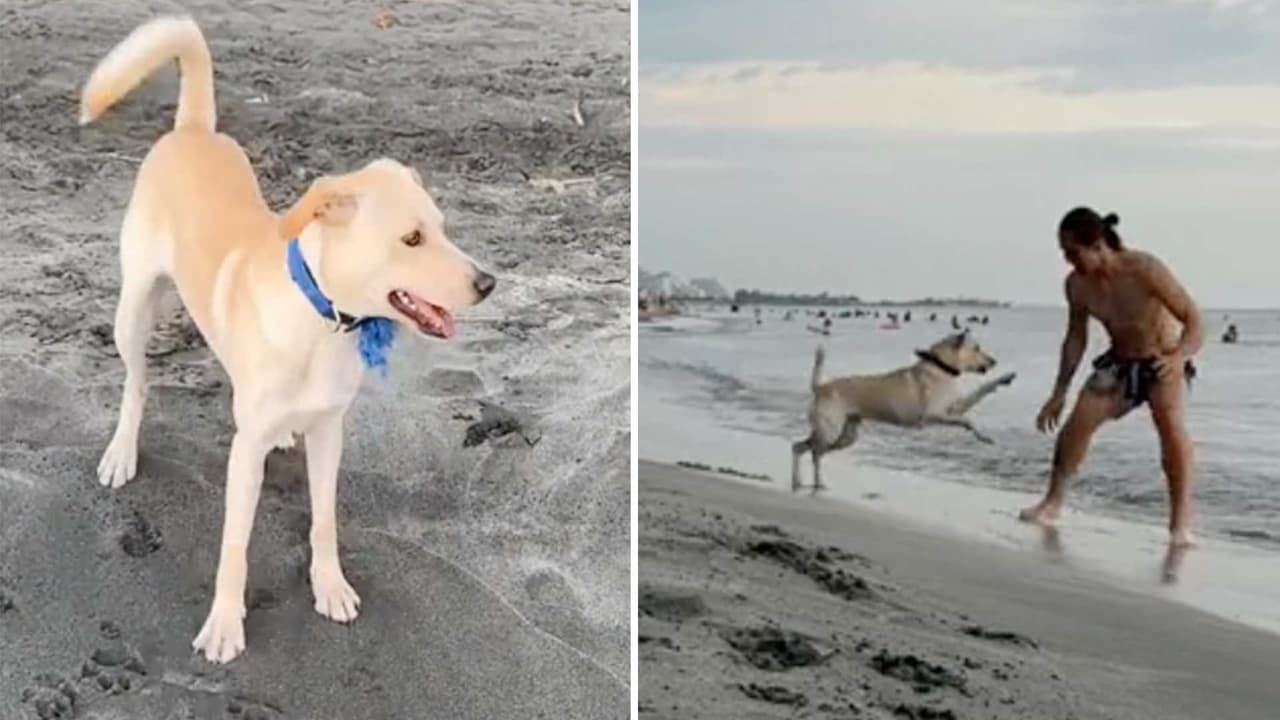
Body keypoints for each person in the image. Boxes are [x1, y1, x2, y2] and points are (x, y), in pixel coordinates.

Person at [1020, 208, 1202, 547]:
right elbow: (1076, 338)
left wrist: (1180, 357)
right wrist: (1058, 391)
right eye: (1064, 253)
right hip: (1119, 365)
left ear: (1097, 244)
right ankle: (1052, 503)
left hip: (1162, 362)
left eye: (1072, 252)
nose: (1068, 260)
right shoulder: (1076, 285)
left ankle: (1180, 524)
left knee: (1171, 429)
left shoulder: (1144, 269)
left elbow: (1193, 318)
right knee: (1076, 426)